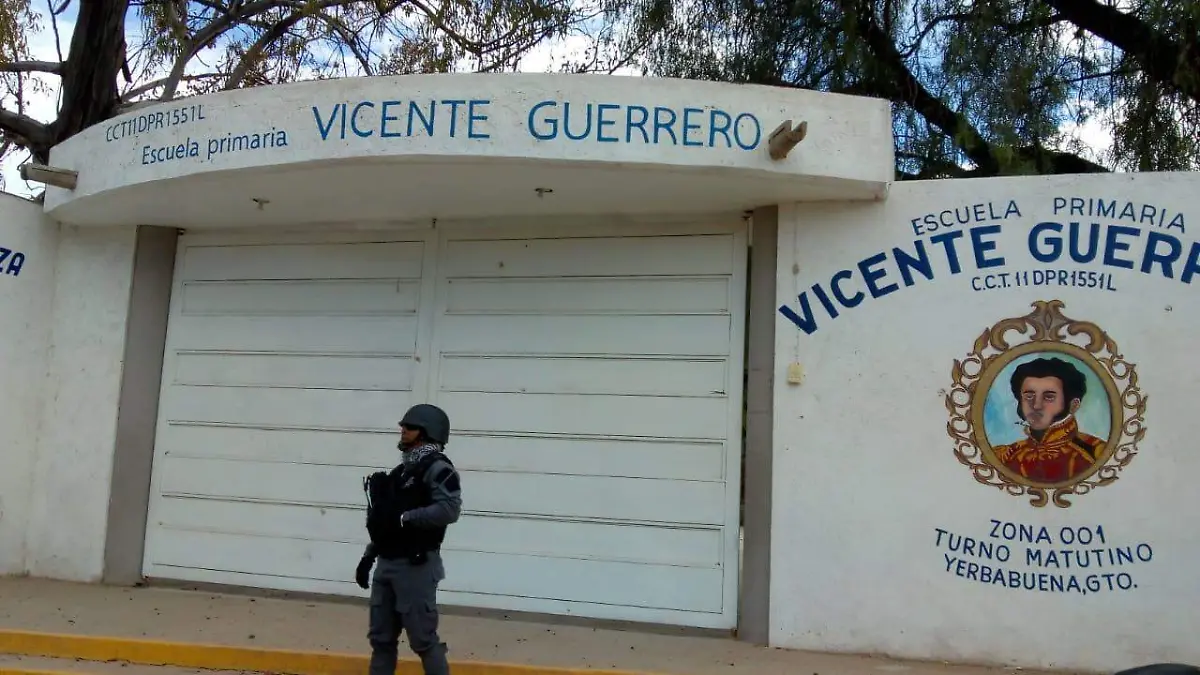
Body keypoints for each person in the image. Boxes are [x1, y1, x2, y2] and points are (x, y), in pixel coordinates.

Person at [356, 403, 462, 675]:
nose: (402, 430)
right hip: (387, 563)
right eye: (403, 426)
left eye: (410, 427)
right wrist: (369, 556)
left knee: (423, 640)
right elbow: (385, 523)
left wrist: (407, 517)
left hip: (416, 566)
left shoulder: (439, 469)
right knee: (381, 640)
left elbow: (449, 509)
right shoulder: (400, 472)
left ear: (427, 432)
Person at [992, 357, 1106, 483]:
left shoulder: (1095, 454)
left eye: (1049, 397)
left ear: (1073, 405)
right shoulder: (1005, 455)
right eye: (1029, 396)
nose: (1036, 405)